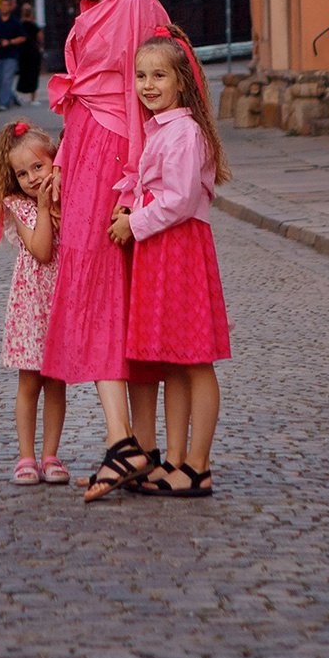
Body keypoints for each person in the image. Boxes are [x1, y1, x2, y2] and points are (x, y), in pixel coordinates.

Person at [37, 0, 181, 503]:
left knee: (98, 287)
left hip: (115, 155)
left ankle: (125, 443)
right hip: (86, 149)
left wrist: (130, 184)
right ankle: (130, 444)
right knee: (91, 285)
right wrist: (65, 161)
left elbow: (142, 97)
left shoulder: (140, 5)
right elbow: (84, 97)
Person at [109, 35, 231, 497]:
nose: (147, 84)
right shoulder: (161, 129)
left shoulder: (184, 133)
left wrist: (134, 223)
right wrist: (128, 207)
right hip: (162, 249)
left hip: (178, 247)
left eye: (159, 75)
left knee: (196, 361)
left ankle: (198, 465)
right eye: (141, 76)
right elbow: (150, 186)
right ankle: (176, 460)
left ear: (183, 82)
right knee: (175, 363)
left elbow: (178, 200)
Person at [0, 118, 68, 486]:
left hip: (60, 302)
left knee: (56, 384)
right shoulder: (19, 207)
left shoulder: (67, 199)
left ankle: (51, 455)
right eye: (23, 173)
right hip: (31, 306)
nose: (33, 177)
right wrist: (41, 203)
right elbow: (40, 249)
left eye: (39, 166)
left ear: (56, 160)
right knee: (29, 384)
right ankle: (26, 456)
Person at [14, 4, 43, 104]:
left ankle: (18, 95)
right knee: (34, 74)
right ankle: (33, 98)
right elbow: (40, 37)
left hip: (22, 52)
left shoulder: (19, 25)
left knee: (23, 73)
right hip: (33, 52)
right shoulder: (33, 25)